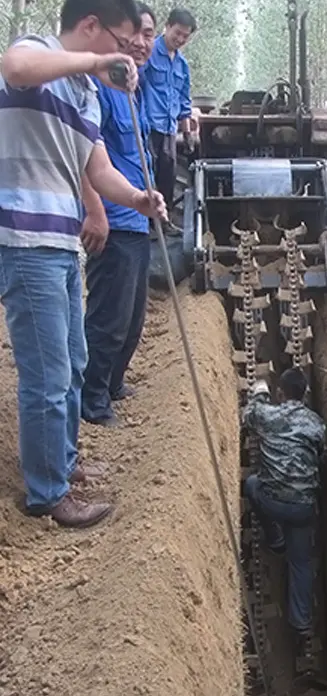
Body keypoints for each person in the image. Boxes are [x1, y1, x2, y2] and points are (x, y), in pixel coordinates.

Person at [0, 0, 167, 528]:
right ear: (90, 26)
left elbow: (97, 169)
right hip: (26, 241)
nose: (127, 55)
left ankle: (63, 463)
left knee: (72, 361)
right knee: (47, 373)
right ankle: (47, 494)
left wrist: (139, 197)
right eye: (122, 43)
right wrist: (94, 63)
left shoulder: (88, 95)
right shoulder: (40, 54)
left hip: (60, 243)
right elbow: (14, 68)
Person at [80, 2, 157, 427]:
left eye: (149, 36)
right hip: (113, 220)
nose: (142, 44)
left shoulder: (134, 89)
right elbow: (85, 156)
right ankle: (92, 401)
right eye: (136, 35)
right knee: (109, 318)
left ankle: (112, 382)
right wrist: (95, 212)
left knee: (131, 319)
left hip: (136, 220)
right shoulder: (102, 89)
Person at [242, 368, 327, 645]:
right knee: (300, 562)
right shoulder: (316, 423)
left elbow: (248, 416)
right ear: (304, 395)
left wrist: (259, 391)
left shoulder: (269, 415)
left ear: (281, 393)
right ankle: (301, 623)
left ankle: (275, 539)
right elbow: (321, 454)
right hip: (303, 507)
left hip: (273, 502)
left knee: (253, 484)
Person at [141, 7, 196, 214]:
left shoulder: (182, 65)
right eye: (178, 33)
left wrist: (188, 132)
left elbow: (184, 101)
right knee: (146, 173)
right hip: (148, 126)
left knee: (168, 176)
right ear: (167, 26)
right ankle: (146, 221)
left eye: (185, 36)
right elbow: (133, 83)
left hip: (170, 129)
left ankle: (165, 220)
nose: (180, 39)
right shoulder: (149, 51)